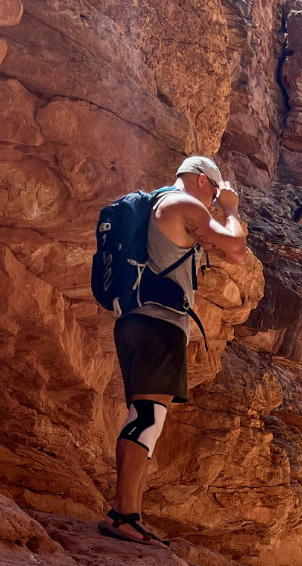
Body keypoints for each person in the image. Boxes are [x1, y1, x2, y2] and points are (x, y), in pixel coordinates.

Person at [99, 155, 248, 546]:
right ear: (201, 181)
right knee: (147, 418)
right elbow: (237, 247)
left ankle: (129, 513)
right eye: (214, 192)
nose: (215, 201)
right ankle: (123, 515)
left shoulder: (159, 206)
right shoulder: (184, 204)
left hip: (134, 320)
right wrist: (231, 209)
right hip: (159, 323)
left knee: (144, 417)